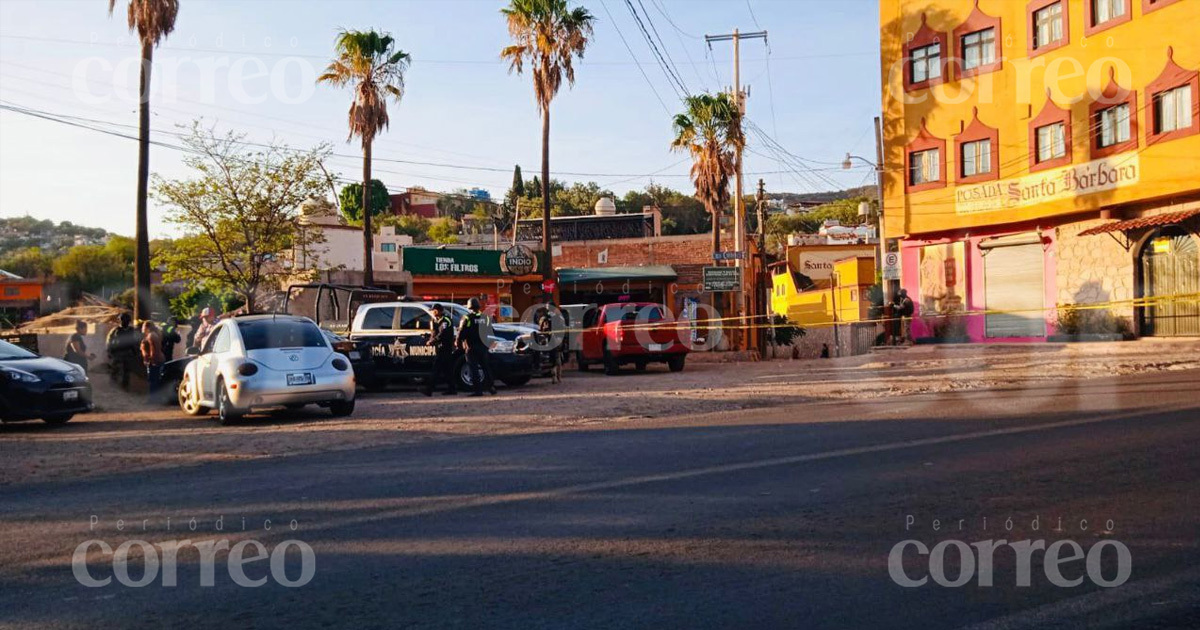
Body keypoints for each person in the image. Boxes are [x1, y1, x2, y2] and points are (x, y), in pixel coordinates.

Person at [457, 297, 497, 397]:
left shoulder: (467, 318)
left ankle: (478, 391)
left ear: (469, 307)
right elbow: (491, 332)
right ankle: (491, 387)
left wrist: (458, 342)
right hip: (483, 347)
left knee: (473, 368)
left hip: (471, 347)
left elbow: (461, 332)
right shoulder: (486, 318)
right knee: (485, 367)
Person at [421, 304, 458, 397]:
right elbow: (435, 333)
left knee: (436, 369)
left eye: (433, 310)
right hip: (441, 347)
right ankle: (452, 388)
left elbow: (442, 334)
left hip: (445, 348)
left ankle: (429, 389)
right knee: (447, 370)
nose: (432, 312)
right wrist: (429, 338)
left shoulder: (446, 320)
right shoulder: (436, 320)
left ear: (437, 311)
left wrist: (432, 341)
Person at [105, 313, 140, 390]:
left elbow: (136, 342)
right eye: (122, 320)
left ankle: (125, 386)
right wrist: (109, 351)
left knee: (126, 371)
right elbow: (109, 341)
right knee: (115, 370)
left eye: (125, 320)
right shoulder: (115, 330)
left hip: (128, 352)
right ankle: (113, 385)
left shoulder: (132, 331)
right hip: (117, 353)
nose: (124, 322)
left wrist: (136, 352)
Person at [535, 305, 563, 384]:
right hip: (556, 340)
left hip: (547, 341)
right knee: (557, 358)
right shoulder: (558, 317)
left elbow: (540, 330)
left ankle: (554, 376)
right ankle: (558, 377)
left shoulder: (543, 318)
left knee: (552, 358)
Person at [140, 321, 165, 400]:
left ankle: (154, 399)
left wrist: (152, 361)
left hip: (155, 361)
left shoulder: (151, 336)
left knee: (153, 380)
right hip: (155, 361)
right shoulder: (152, 335)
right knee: (154, 380)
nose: (142, 328)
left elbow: (154, 350)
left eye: (143, 326)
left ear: (147, 327)